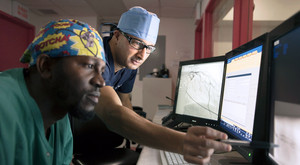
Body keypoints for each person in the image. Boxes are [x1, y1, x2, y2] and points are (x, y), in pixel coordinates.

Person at [95, 6, 232, 164]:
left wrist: (143, 131)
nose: (142, 55)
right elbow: (113, 113)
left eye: (149, 48)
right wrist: (180, 142)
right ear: (117, 35)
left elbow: (125, 102)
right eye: (137, 43)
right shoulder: (97, 58)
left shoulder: (129, 65)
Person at [0, 19, 106, 164]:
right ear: (46, 66)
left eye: (102, 71)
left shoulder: (59, 111)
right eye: (89, 66)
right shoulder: (4, 108)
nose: (101, 81)